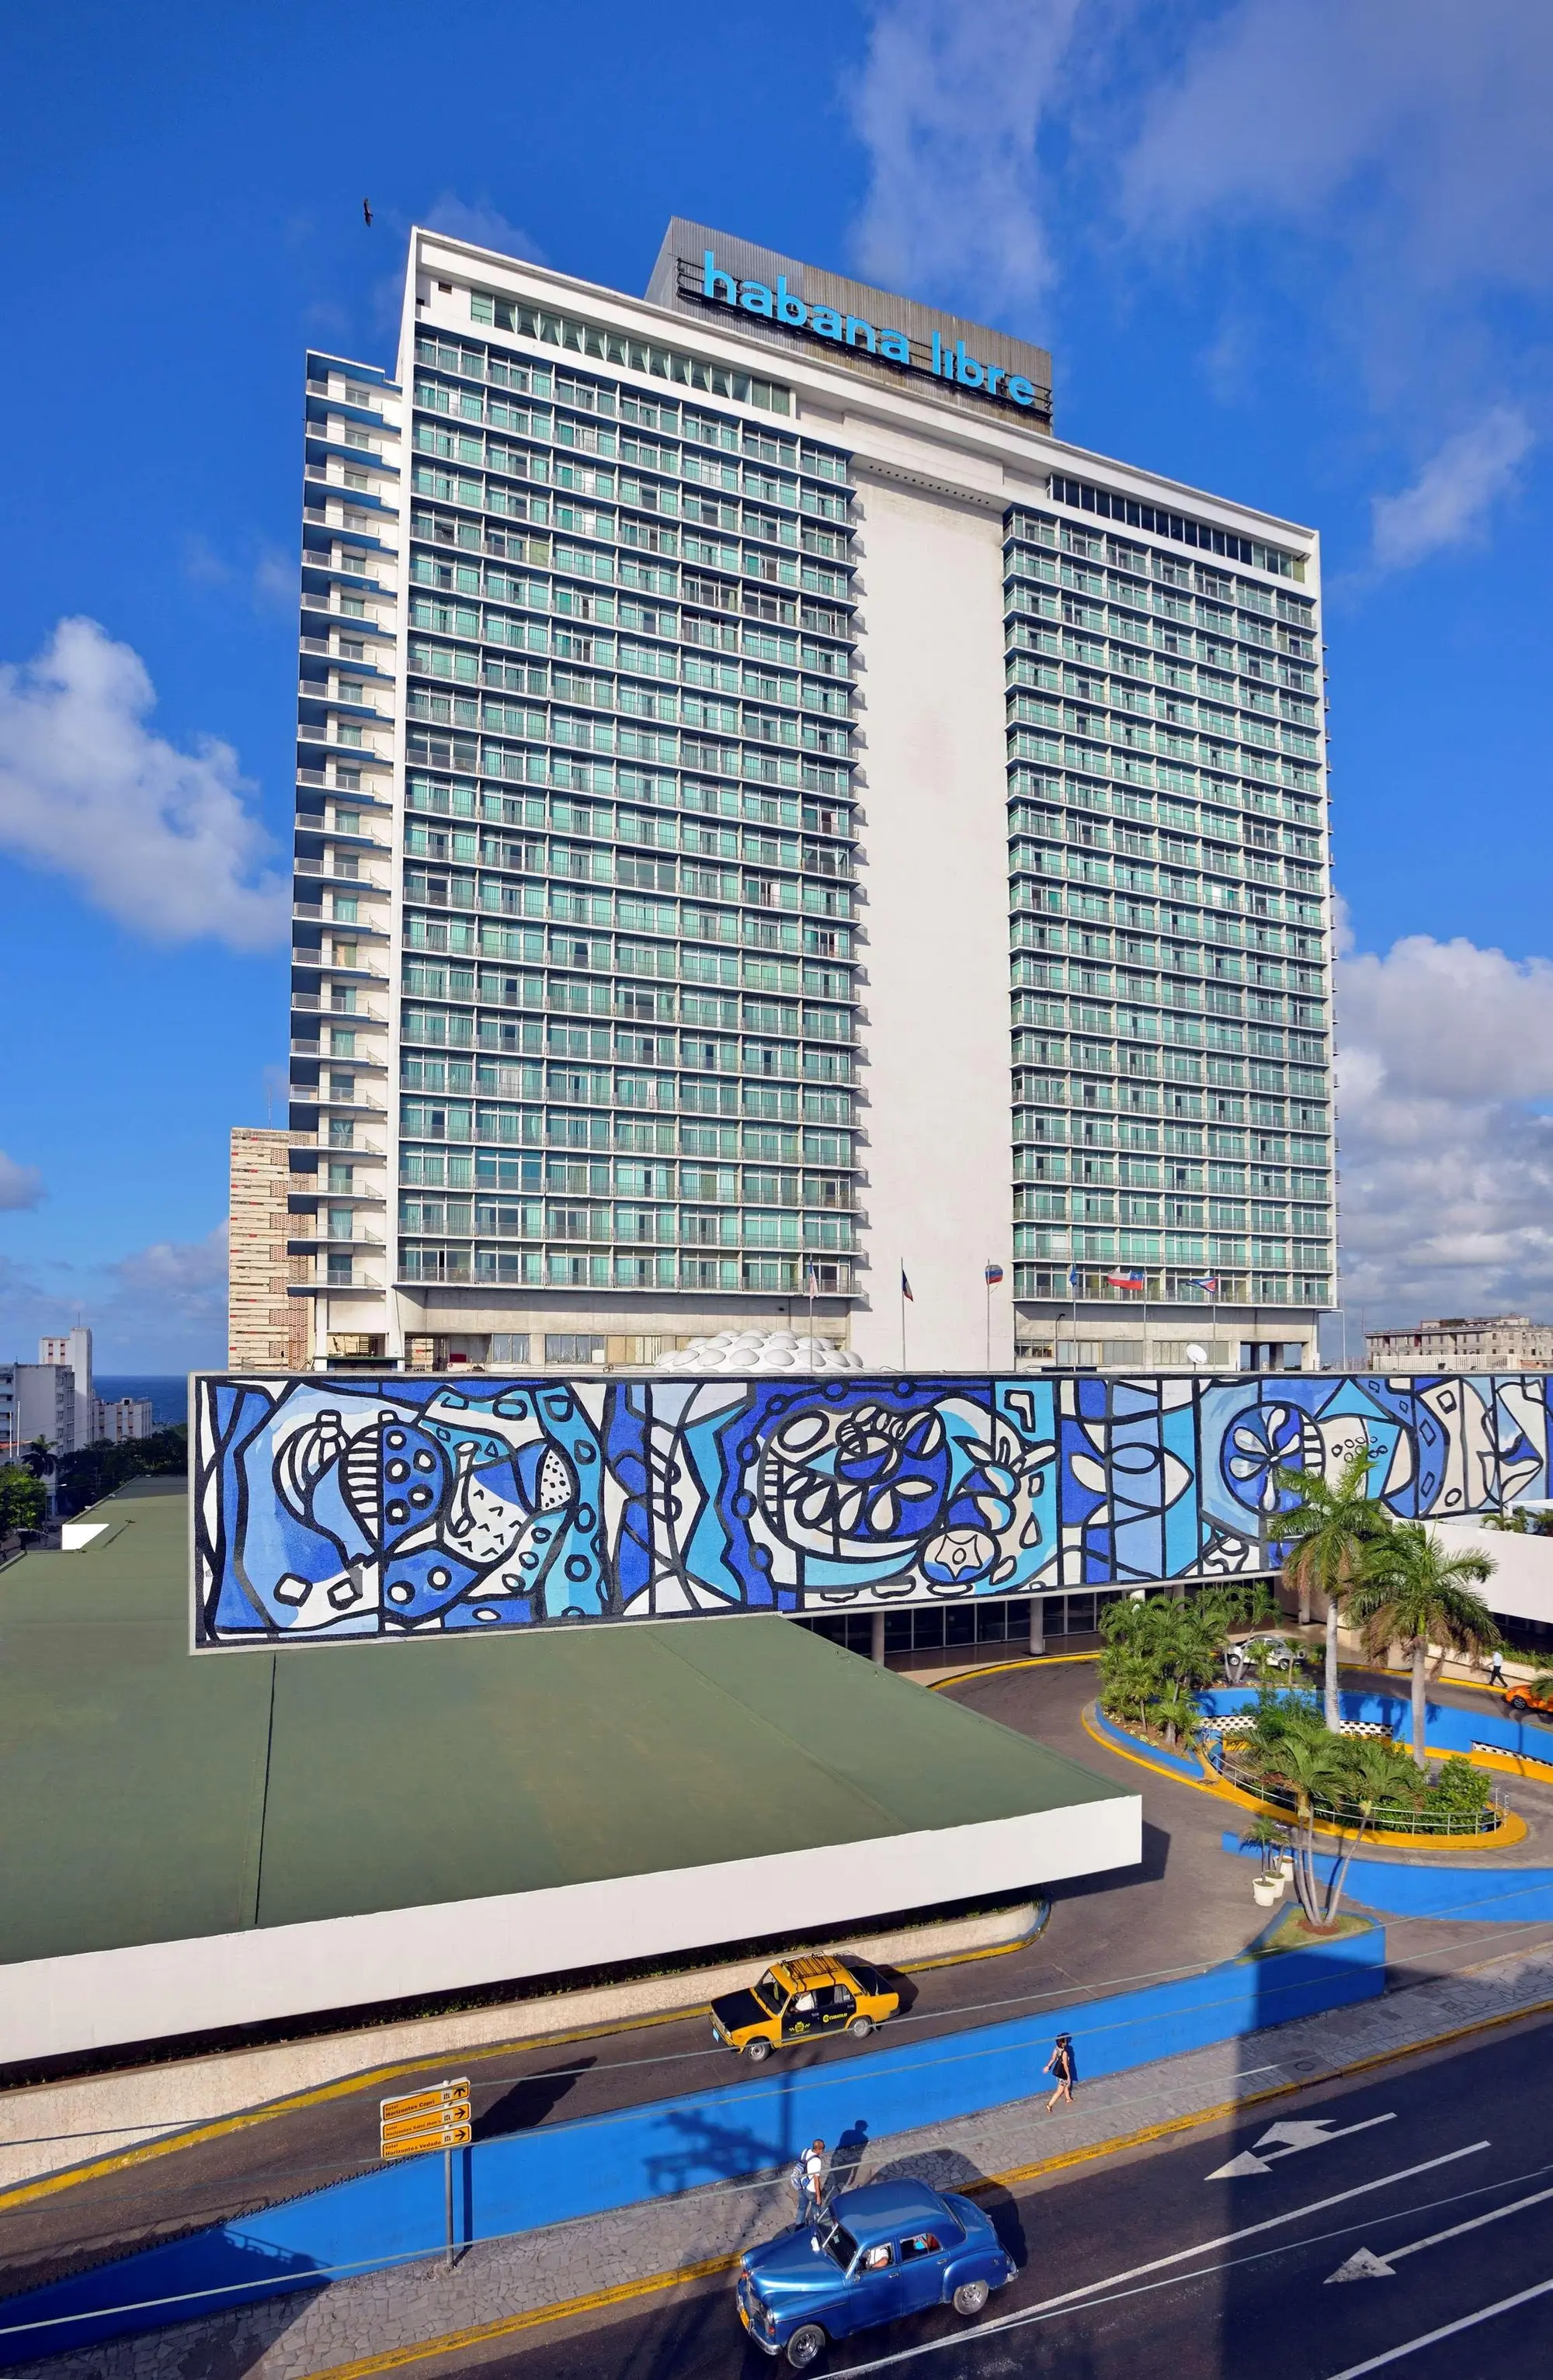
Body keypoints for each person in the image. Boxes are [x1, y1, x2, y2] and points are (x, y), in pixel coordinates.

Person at [1044, 2032, 1076, 2110]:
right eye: (1065, 2041)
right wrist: (1068, 2076)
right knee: (1059, 2091)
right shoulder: (1065, 2053)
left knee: (1065, 2087)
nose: (1067, 2041)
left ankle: (1068, 2099)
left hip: (1058, 2074)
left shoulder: (1056, 2049)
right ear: (1062, 2043)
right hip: (1063, 2074)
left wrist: (1048, 2066)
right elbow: (1065, 2066)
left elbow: (1053, 2059)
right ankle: (1049, 2105)